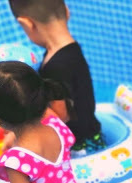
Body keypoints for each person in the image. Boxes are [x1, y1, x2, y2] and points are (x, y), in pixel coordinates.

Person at [8, 0, 105, 154]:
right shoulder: (71, 50)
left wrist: (22, 131)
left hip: (79, 146)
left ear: (27, 24)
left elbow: (60, 115)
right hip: (91, 135)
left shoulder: (55, 67)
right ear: (67, 11)